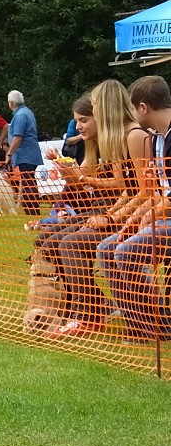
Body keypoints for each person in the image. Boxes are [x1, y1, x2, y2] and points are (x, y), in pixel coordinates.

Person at [40, 82, 146, 337]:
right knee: (49, 241)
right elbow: (128, 190)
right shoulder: (118, 138)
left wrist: (110, 215)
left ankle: (88, 314)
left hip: (128, 214)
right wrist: (72, 174)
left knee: (68, 244)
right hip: (116, 211)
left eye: (92, 110)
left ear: (106, 108)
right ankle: (90, 305)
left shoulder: (132, 136)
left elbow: (140, 190)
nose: (79, 125)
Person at [95, 75, 171, 342]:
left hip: (166, 219)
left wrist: (152, 212)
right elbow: (154, 192)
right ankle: (138, 325)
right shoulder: (159, 139)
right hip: (161, 215)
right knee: (106, 248)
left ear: (143, 107)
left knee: (125, 251)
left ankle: (159, 322)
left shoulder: (145, 137)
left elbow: (153, 195)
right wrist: (135, 216)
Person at [4, 90, 43, 216]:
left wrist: (9, 154)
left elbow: (18, 137)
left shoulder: (20, 115)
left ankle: (31, 210)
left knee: (28, 182)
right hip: (30, 153)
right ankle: (33, 208)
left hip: (26, 154)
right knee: (29, 180)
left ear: (11, 103)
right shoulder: (27, 112)